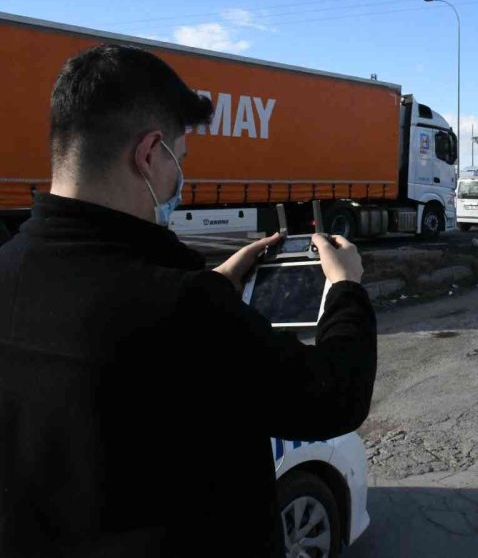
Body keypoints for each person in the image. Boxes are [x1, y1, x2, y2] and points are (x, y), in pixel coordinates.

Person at [0, 44, 377, 556]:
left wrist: (220, 279)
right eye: (182, 157)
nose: (181, 178)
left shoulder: (11, 268)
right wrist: (346, 290)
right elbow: (336, 395)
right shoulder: (182, 309)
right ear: (150, 154)